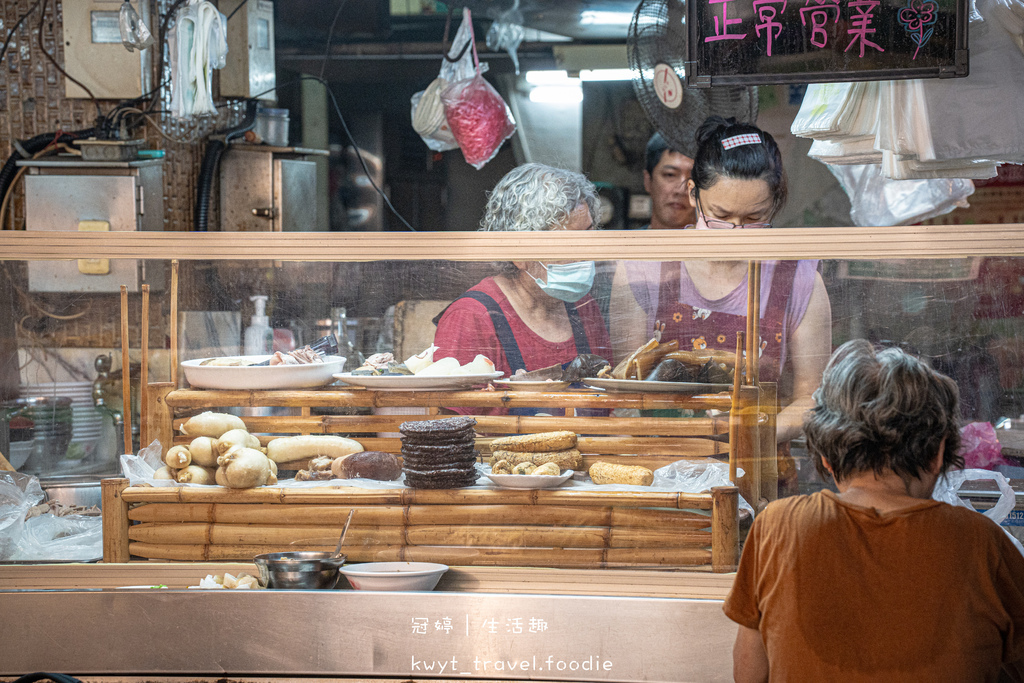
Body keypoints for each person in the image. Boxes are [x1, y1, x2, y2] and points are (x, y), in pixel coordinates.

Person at [724, 339, 1024, 682]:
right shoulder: (982, 543)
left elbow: (749, 676)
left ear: (825, 456)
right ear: (939, 453)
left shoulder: (776, 527)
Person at [610, 117, 832, 486]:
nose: (737, 234)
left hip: (758, 476)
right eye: (721, 217)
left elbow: (811, 400)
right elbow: (626, 388)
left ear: (776, 202)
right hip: (659, 474)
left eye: (754, 218)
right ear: (694, 194)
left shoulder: (800, 279)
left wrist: (750, 437)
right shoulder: (643, 266)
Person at [432, 163, 612, 413]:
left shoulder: (584, 308)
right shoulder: (471, 318)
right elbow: (452, 431)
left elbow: (609, 401)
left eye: (588, 236)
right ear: (518, 251)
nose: (585, 254)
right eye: (569, 242)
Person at [644, 131, 697, 230]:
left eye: (693, 178)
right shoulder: (628, 243)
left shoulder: (719, 245)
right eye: (670, 175)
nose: (681, 190)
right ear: (647, 181)